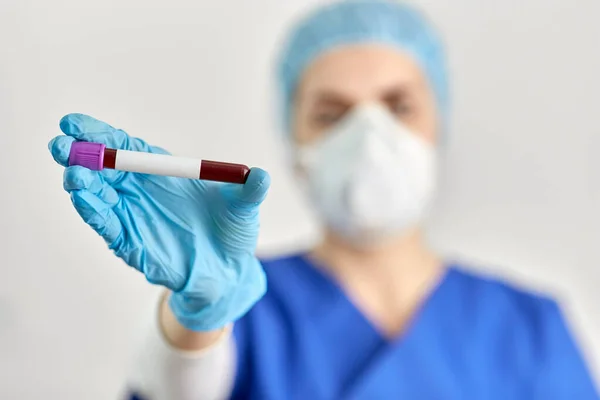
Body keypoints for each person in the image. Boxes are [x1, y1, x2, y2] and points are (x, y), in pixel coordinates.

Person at [48, 1, 598, 399]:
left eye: (399, 106)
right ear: (295, 144)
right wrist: (196, 315)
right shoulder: (248, 305)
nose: (369, 136)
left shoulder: (529, 330)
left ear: (440, 124)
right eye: (331, 115)